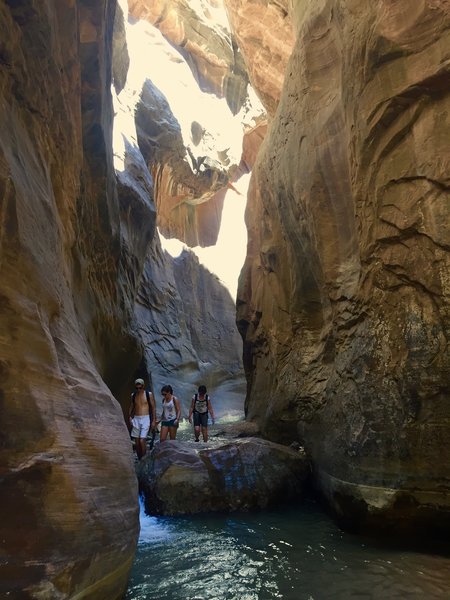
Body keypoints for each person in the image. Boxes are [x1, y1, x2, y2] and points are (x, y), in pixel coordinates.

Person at [128, 378, 156, 459]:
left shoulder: (148, 394)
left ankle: (144, 459)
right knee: (136, 442)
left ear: (143, 386)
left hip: (145, 418)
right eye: (137, 388)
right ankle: (140, 458)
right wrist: (129, 416)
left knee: (142, 440)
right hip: (136, 418)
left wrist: (154, 420)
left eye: (140, 388)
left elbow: (153, 407)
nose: (138, 389)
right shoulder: (133, 395)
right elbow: (132, 406)